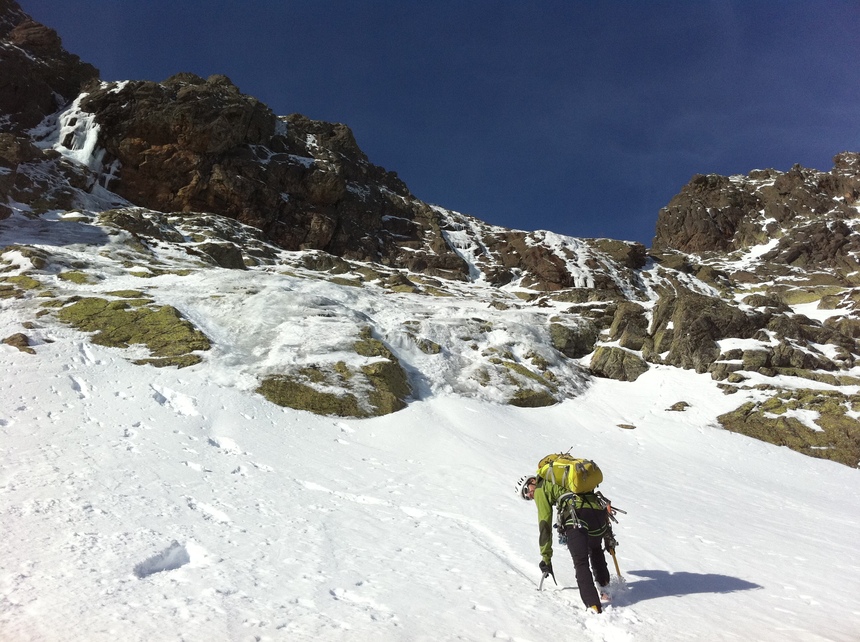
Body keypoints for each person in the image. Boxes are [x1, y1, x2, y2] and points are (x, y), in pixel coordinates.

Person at [516, 472, 611, 613]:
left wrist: (546, 558)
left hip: (576, 516)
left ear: (532, 481)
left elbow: (545, 525)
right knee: (595, 548)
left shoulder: (541, 488)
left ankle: (593, 606)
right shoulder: (563, 478)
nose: (530, 496)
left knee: (580, 561)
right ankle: (606, 589)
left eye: (526, 491)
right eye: (526, 498)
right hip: (597, 513)